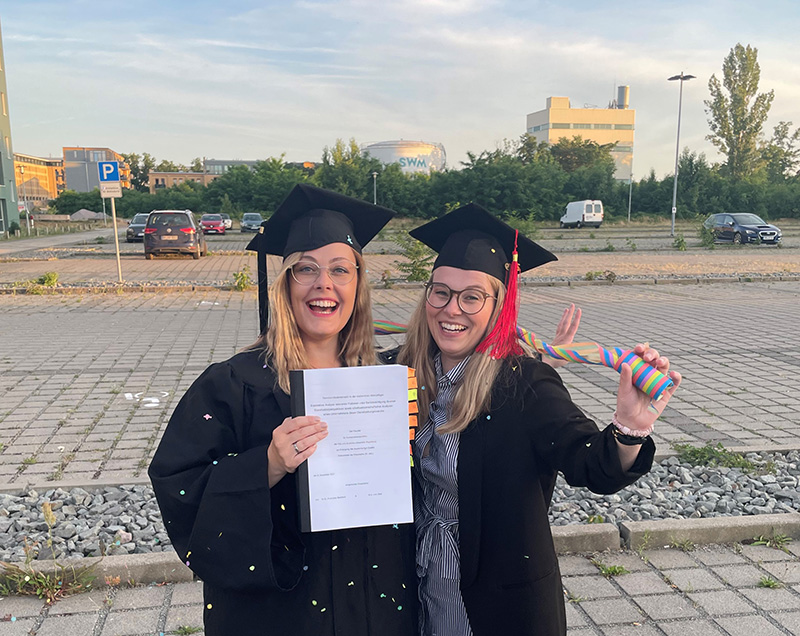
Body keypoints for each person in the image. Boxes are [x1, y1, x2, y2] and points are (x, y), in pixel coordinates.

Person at [393, 203, 681, 636]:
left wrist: (629, 426)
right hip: (416, 579)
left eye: (472, 296)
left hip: (495, 599)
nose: (452, 309)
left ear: (499, 306)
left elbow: (592, 465)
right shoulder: (399, 372)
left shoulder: (523, 384)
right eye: (441, 292)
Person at [149, 185, 418, 636]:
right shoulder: (234, 384)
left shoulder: (385, 380)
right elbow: (177, 485)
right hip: (280, 611)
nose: (323, 284)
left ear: (358, 284)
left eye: (340, 270)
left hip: (376, 600)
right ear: (286, 284)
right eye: (305, 269)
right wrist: (266, 466)